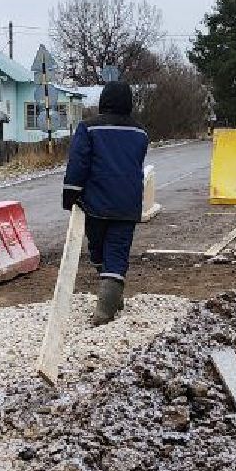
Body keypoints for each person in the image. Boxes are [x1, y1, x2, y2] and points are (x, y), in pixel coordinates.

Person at [62, 81, 148, 325]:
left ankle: (104, 311)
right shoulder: (140, 132)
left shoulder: (88, 129)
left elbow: (78, 164)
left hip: (96, 204)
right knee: (117, 252)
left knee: (98, 250)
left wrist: (70, 195)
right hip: (128, 205)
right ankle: (111, 298)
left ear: (103, 102)